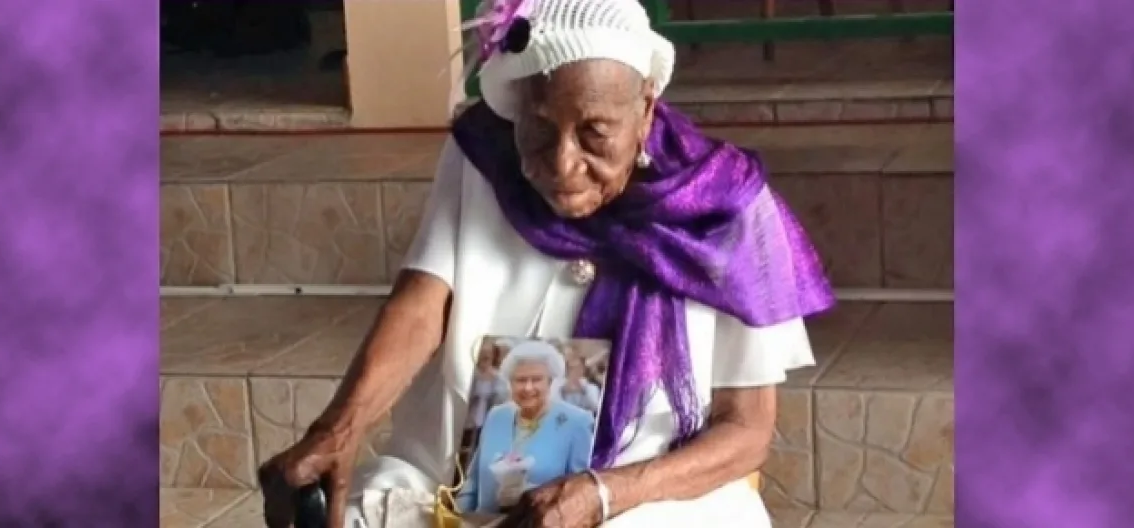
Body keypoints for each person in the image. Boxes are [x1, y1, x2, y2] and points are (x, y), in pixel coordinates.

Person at [256, 0, 835, 526]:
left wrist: (601, 495)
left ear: (645, 111)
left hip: (643, 497)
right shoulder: (483, 156)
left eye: (594, 134)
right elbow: (423, 301)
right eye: (538, 130)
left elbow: (746, 429)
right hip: (450, 482)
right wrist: (340, 426)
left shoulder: (724, 204)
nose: (562, 163)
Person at [456, 341, 595, 514]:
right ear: (510, 383)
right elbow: (472, 482)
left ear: (550, 381)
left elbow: (579, 495)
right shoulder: (497, 415)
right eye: (520, 380)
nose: (528, 388)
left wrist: (531, 495)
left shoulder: (577, 422)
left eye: (536, 379)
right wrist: (457, 517)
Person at [463, 340, 510, 451]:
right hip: (468, 422)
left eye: (487, 356)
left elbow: (503, 400)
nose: (484, 358)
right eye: (481, 354)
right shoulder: (469, 375)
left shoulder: (499, 378)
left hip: (488, 423)